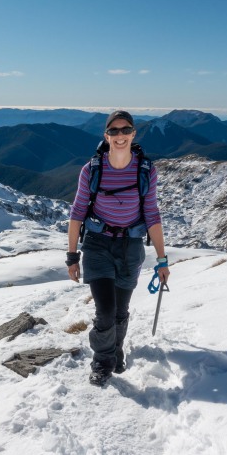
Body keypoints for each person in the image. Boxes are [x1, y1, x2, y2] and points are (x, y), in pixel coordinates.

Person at [66, 110, 169, 387]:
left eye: (125, 130)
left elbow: (152, 214)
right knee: (106, 310)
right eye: (114, 131)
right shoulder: (92, 170)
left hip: (131, 246)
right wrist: (72, 257)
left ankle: (116, 349)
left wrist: (162, 260)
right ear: (106, 135)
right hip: (98, 244)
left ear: (133, 134)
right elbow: (77, 214)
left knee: (121, 309)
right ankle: (102, 361)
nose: (120, 135)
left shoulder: (146, 170)